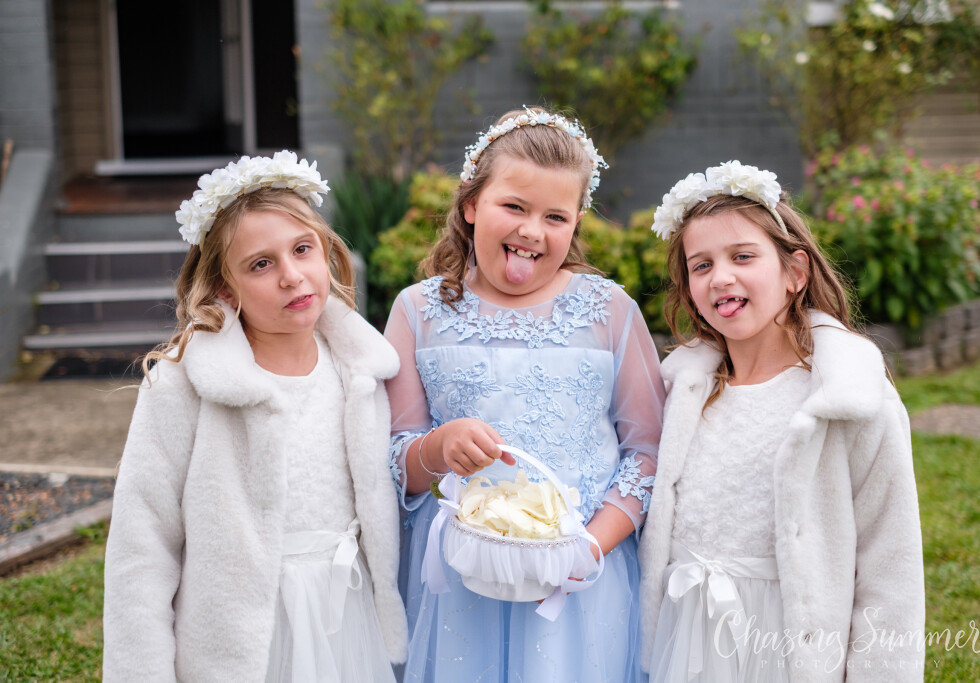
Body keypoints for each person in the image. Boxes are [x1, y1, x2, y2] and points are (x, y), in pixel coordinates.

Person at [384, 107, 666, 682]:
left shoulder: (610, 312)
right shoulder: (418, 311)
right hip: (460, 586)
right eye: (514, 206)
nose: (532, 231)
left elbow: (649, 453)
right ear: (471, 204)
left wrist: (589, 548)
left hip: (582, 583)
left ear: (576, 223)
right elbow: (393, 460)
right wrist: (437, 447)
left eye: (555, 216)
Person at [103, 151, 407, 682]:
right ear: (225, 287)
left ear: (326, 252)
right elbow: (142, 546)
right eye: (261, 264)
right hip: (244, 638)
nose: (292, 276)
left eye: (302, 249)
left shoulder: (361, 370)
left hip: (347, 618)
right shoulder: (182, 386)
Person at [639, 161, 925, 682]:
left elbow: (891, 563)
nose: (721, 277)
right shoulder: (679, 392)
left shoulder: (847, 398)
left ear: (795, 273)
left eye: (742, 256)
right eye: (701, 266)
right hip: (687, 636)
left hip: (784, 644)